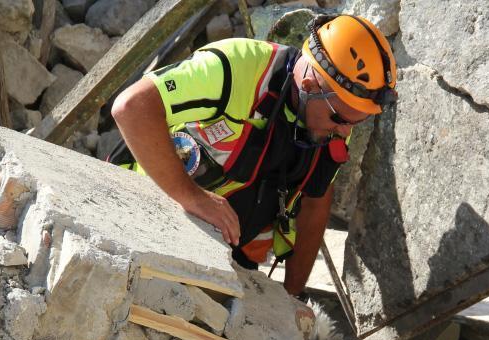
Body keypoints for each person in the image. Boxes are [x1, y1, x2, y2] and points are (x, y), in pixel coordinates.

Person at [111, 14, 397, 299]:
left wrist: (291, 296)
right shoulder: (233, 69)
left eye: (355, 123)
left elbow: (315, 203)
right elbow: (131, 107)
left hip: (223, 260)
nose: (344, 130)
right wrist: (192, 197)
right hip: (139, 220)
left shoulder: (331, 123)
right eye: (340, 118)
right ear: (309, 86)